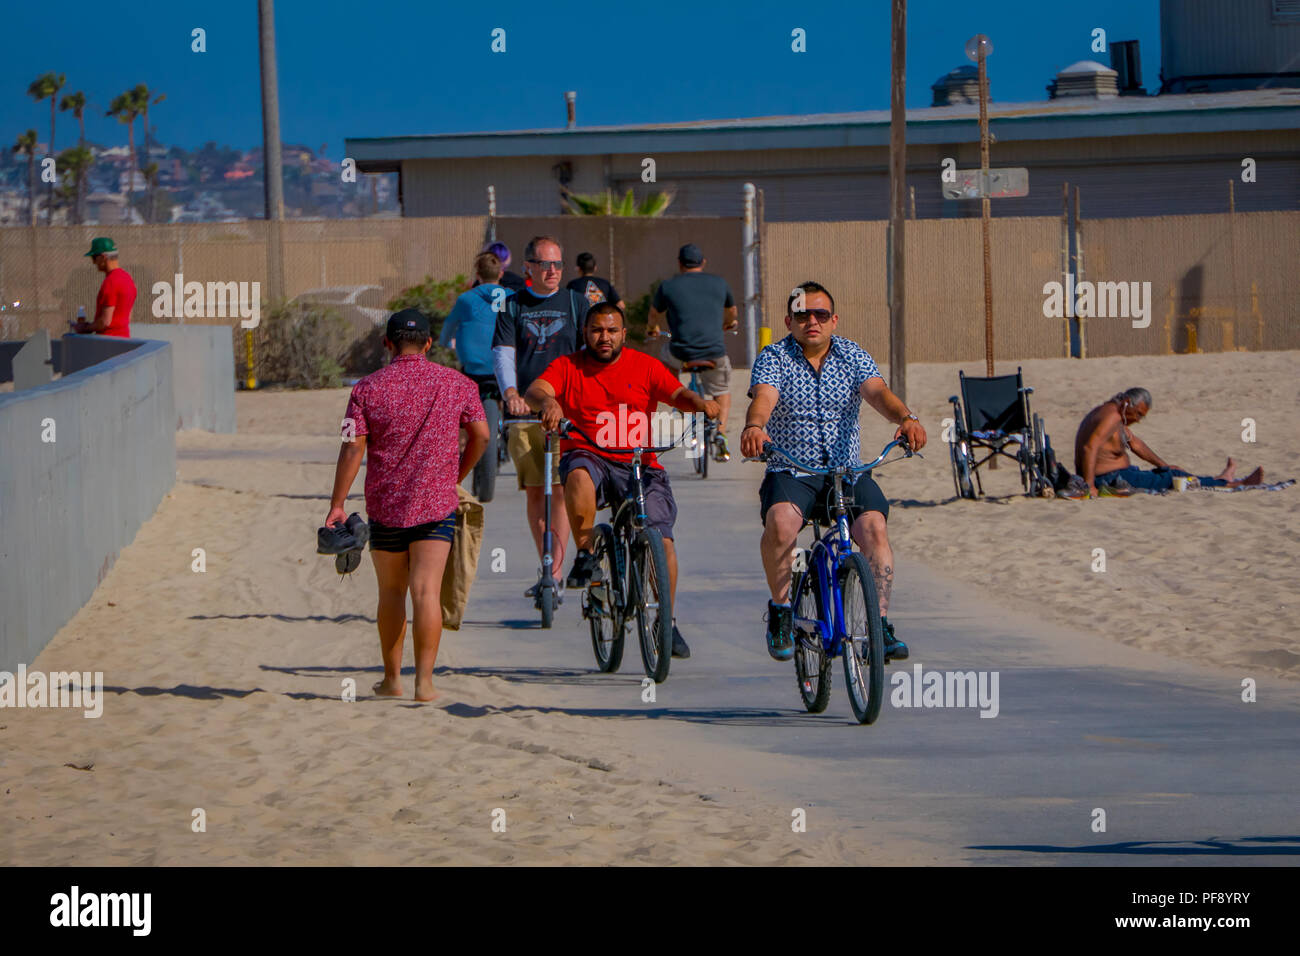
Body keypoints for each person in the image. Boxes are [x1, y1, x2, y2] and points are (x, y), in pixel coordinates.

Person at [740, 281, 926, 663]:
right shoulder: (774, 357)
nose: (813, 321)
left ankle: (881, 624)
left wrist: (906, 418)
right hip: (793, 470)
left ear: (833, 320)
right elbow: (765, 398)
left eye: (821, 314)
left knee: (874, 528)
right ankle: (781, 610)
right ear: (789, 320)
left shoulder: (852, 354)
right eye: (803, 314)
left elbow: (878, 393)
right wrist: (755, 426)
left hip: (847, 472)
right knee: (780, 523)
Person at [525, 301, 720, 659]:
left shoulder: (645, 366)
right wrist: (549, 403)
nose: (604, 337)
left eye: (612, 330)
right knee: (578, 474)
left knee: (662, 541)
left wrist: (700, 403)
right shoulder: (567, 366)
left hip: (638, 461)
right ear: (585, 332)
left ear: (623, 334)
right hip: (588, 451)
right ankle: (586, 555)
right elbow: (535, 390)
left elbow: (677, 394)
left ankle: (667, 622)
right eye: (597, 330)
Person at [327, 308, 489, 701]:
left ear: (387, 343)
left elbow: (353, 445)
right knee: (426, 592)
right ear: (430, 343)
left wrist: (337, 504)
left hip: (387, 505)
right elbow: (481, 435)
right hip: (436, 504)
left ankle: (392, 680)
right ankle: (425, 684)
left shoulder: (365, 389)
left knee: (391, 593)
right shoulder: (458, 384)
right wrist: (455, 476)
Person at [491, 235, 588, 597]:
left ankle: (557, 570)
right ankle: (547, 562)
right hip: (526, 415)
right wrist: (511, 394)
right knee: (536, 492)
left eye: (558, 264)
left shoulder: (576, 304)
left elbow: (586, 355)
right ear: (528, 267)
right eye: (545, 264)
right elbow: (503, 353)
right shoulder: (511, 306)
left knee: (560, 492)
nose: (553, 271)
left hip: (566, 414)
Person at [1075, 388, 1263, 496]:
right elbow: (1089, 447)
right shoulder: (1111, 417)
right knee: (1173, 480)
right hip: (1109, 478)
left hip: (1119, 474)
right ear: (1126, 402)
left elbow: (1135, 444)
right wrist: (1089, 485)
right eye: (1138, 414)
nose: (1138, 419)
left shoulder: (1112, 414)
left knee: (1171, 472)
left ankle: (1221, 479)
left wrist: (1163, 465)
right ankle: (1232, 483)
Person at [646, 243, 738, 462]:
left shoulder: (667, 286)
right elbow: (732, 313)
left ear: (679, 263)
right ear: (703, 262)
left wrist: (653, 329)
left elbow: (653, 313)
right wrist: (729, 323)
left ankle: (680, 401)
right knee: (722, 389)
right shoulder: (720, 283)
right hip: (714, 353)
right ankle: (721, 433)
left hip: (680, 351)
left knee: (666, 362)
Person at [441, 251, 506, 389]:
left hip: (473, 367)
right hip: (504, 366)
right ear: (501, 274)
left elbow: (449, 325)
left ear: (478, 276)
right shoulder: (510, 297)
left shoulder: (466, 299)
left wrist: (446, 342)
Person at [75, 237, 136, 337]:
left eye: (94, 258)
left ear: (103, 257)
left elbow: (105, 322)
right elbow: (128, 316)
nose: (94, 262)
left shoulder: (111, 282)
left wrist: (84, 328)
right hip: (125, 341)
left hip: (108, 343)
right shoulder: (128, 279)